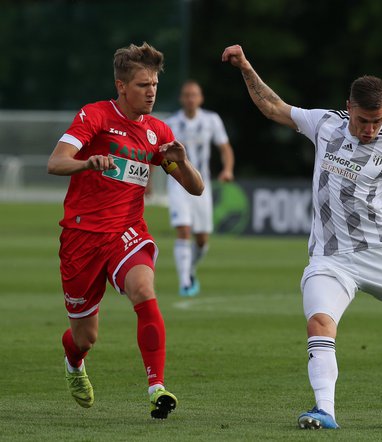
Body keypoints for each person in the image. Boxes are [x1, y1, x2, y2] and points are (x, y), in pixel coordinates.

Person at [221, 44, 382, 429]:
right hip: (329, 257)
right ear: (349, 107)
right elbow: (274, 107)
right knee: (320, 322)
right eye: (362, 120)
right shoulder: (325, 123)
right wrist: (244, 66)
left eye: (376, 120)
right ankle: (325, 411)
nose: (369, 129)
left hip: (377, 252)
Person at [47, 42, 204, 418]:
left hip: (127, 232)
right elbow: (56, 163)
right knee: (86, 337)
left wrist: (182, 163)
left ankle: (157, 388)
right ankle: (74, 361)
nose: (150, 92)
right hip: (82, 237)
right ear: (121, 86)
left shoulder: (157, 132)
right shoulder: (95, 116)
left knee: (144, 290)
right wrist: (86, 164)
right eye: (141, 85)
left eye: (154, 85)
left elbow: (195, 188)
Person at [165, 80, 236, 297]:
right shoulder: (171, 123)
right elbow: (159, 156)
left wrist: (227, 169)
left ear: (200, 98)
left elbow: (225, 148)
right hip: (177, 184)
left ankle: (190, 269)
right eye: (186, 95)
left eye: (194, 95)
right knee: (183, 229)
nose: (190, 99)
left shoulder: (211, 120)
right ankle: (185, 282)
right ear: (181, 99)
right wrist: (148, 183)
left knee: (202, 239)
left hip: (201, 184)